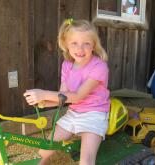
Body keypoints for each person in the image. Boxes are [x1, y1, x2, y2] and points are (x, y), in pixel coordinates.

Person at [23, 19, 110, 165]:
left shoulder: (99, 67)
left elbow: (77, 97)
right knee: (44, 150)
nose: (80, 49)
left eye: (86, 43)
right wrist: (43, 103)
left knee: (86, 160)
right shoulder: (67, 65)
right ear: (66, 44)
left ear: (93, 45)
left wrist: (43, 93)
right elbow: (63, 95)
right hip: (73, 114)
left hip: (94, 115)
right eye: (74, 43)